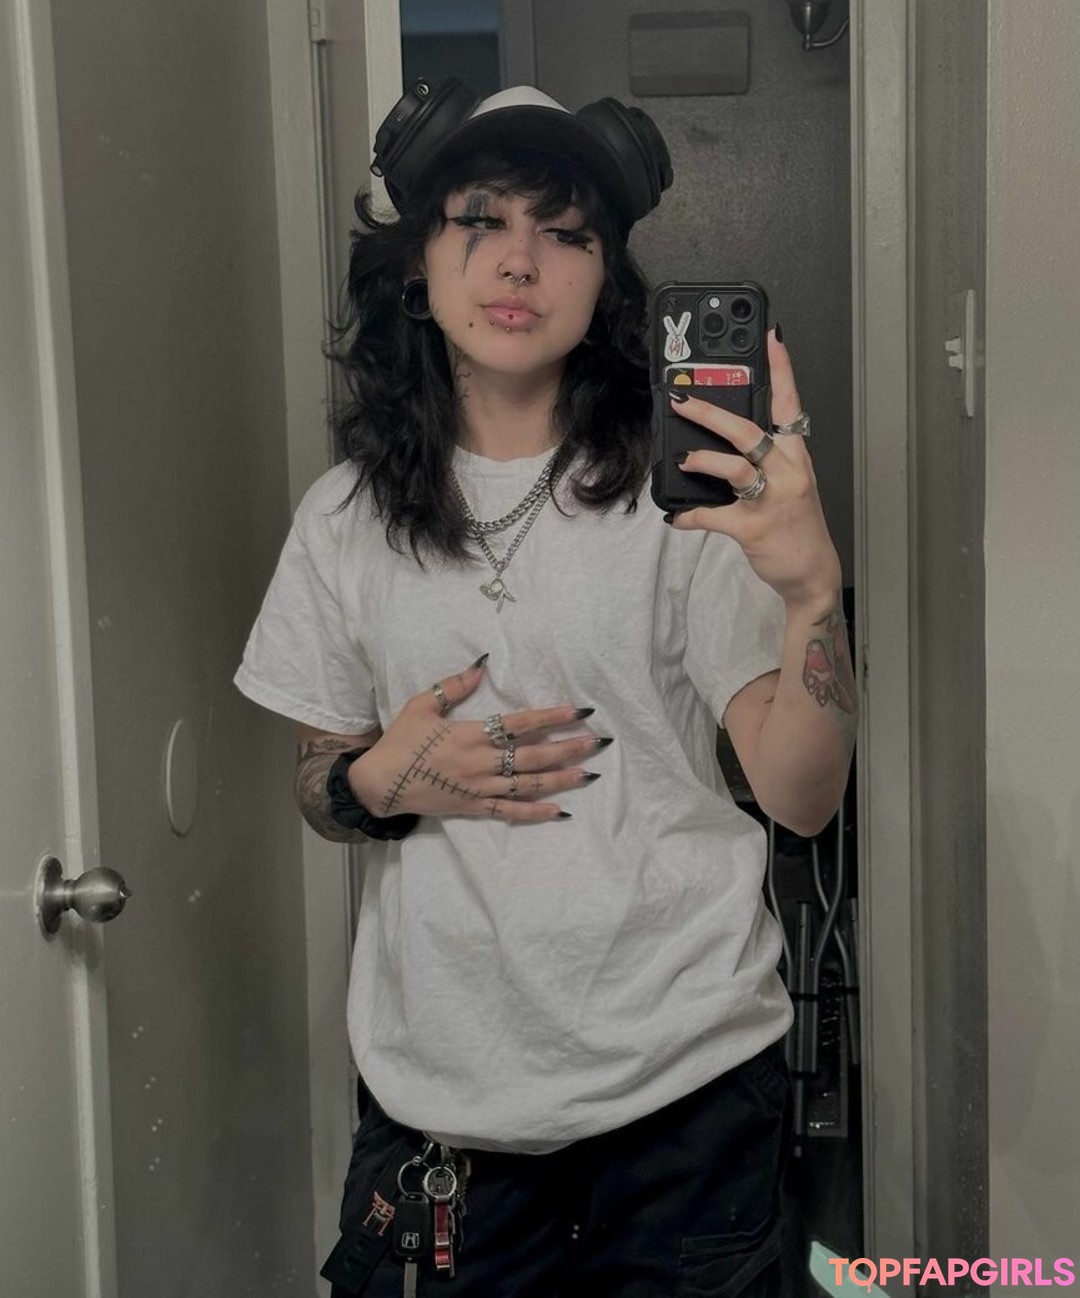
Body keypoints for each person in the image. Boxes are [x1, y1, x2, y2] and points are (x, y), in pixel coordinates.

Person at [235, 79, 856, 1298]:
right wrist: (380, 779)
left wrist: (811, 594)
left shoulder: (688, 502)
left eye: (565, 231)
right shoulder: (343, 521)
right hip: (445, 1109)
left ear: (605, 279)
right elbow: (318, 780)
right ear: (418, 264)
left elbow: (802, 797)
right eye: (479, 219)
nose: (520, 260)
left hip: (687, 1093)